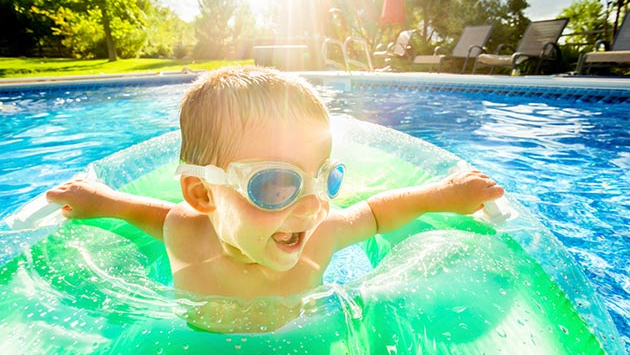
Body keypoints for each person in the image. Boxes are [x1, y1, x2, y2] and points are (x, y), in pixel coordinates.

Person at [46, 66, 504, 332]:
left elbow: (377, 213)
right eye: (275, 185)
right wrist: (98, 198)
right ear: (203, 193)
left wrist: (443, 195)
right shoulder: (184, 229)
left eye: (325, 179)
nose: (311, 206)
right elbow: (134, 210)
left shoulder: (319, 235)